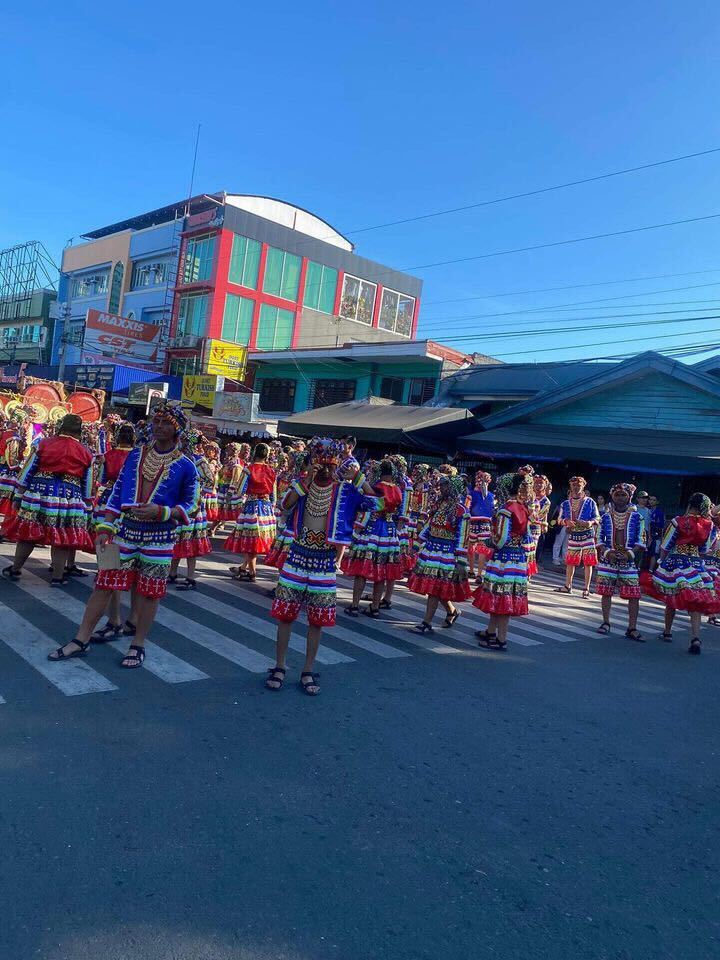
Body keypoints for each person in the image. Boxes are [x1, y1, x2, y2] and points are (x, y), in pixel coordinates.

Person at [47, 401, 199, 669]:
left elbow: (192, 504)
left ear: (177, 430)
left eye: (166, 423)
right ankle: (80, 639)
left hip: (160, 538)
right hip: (124, 531)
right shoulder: (136, 455)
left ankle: (137, 644)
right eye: (157, 421)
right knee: (104, 583)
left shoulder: (187, 466)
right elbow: (118, 492)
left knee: (150, 592)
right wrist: (106, 526)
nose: (159, 426)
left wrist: (163, 512)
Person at [267, 438, 360, 696]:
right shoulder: (302, 486)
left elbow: (381, 503)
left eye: (331, 465)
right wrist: (305, 480)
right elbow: (284, 505)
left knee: (316, 621)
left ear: (338, 465)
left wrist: (359, 477)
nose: (326, 471)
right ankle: (280, 665)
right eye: (320, 465)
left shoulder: (343, 490)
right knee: (285, 616)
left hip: (324, 562)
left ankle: (307, 669)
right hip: (297, 557)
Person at [2, 413, 94, 585]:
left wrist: (19, 495)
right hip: (69, 496)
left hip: (39, 492)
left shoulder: (43, 443)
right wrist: (87, 506)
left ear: (61, 427)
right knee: (62, 535)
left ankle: (15, 569)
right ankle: (58, 577)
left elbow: (28, 470)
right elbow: (87, 484)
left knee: (28, 532)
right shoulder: (86, 452)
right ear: (78, 432)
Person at [647, 493, 716, 654]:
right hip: (696, 564)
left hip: (677, 561)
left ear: (689, 504)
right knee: (695, 601)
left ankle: (667, 632)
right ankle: (695, 637)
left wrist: (661, 562)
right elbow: (705, 549)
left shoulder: (678, 521)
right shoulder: (708, 525)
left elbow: (666, 545)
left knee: (672, 596)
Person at [472, 471, 534, 650]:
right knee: (500, 596)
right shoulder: (523, 507)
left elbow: (500, 539)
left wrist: (487, 541)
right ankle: (491, 631)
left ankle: (501, 639)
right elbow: (526, 536)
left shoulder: (506, 509)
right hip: (517, 559)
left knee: (501, 597)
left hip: (503, 559)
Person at [342, 458, 406, 617]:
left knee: (362, 567)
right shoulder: (398, 490)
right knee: (382, 570)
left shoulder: (377, 487)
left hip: (372, 527)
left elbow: (368, 503)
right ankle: (375, 607)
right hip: (389, 531)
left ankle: (355, 605)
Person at [407, 474, 470, 632]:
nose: (441, 488)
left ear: (453, 488)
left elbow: (463, 537)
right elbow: (429, 526)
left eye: (444, 486)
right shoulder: (438, 505)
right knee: (435, 587)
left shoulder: (462, 511)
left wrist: (461, 561)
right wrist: (416, 544)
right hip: (431, 550)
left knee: (435, 589)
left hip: (447, 553)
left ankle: (426, 623)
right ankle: (452, 611)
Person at [595, 483, 646, 641]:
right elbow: (598, 538)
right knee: (606, 592)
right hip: (608, 559)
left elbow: (642, 539)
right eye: (617, 495)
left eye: (623, 495)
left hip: (628, 561)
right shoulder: (605, 516)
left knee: (634, 595)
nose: (620, 498)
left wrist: (629, 554)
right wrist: (607, 552)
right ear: (612, 496)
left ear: (629, 497)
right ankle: (605, 622)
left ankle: (632, 627)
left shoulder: (638, 517)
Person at [225, 442, 277, 582]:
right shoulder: (272, 471)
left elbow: (241, 489)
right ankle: (244, 568)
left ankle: (251, 572)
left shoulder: (249, 469)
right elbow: (274, 495)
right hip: (266, 508)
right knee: (257, 540)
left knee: (250, 540)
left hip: (252, 507)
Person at [168, 429, 212, 590]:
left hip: (193, 508)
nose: (182, 443)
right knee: (177, 539)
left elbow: (210, 481)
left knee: (190, 541)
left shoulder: (199, 461)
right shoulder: (179, 458)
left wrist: (197, 495)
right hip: (178, 505)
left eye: (185, 441)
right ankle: (172, 572)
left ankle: (191, 576)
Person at [555, 476, 600, 598]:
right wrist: (566, 522)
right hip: (573, 535)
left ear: (583, 486)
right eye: (573, 485)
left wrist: (589, 523)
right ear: (570, 486)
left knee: (588, 563)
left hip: (587, 534)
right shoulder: (565, 503)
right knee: (570, 562)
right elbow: (559, 519)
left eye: (578, 485)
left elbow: (597, 518)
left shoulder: (590, 501)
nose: (576, 487)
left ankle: (586, 588)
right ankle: (567, 585)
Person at [466, 470, 494, 581]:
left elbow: (466, 509)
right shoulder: (492, 496)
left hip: (474, 523)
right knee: (480, 549)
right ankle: (477, 573)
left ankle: (473, 572)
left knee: (473, 547)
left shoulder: (471, 495)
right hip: (484, 524)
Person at [527, 474, 552, 577]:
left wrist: (529, 515)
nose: (538, 485)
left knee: (531, 551)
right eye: (536, 483)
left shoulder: (546, 501)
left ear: (545, 485)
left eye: (541, 483)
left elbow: (540, 516)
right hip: (524, 525)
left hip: (534, 527)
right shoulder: (528, 496)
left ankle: (528, 574)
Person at [647, 495, 666, 571]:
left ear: (657, 502)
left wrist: (661, 539)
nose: (651, 501)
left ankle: (650, 570)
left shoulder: (659, 513)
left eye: (654, 500)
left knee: (654, 553)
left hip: (656, 536)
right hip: (646, 535)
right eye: (650, 499)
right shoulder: (647, 510)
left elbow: (661, 527)